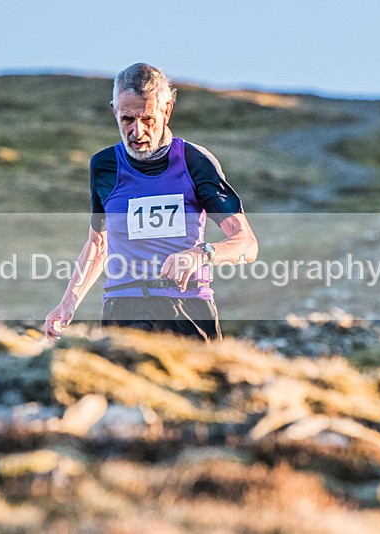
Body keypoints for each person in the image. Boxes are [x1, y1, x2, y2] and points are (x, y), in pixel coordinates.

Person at [45, 63, 258, 342]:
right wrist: (68, 303)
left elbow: (247, 244)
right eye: (126, 120)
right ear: (113, 111)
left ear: (167, 110)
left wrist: (201, 254)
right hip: (123, 308)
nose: (137, 132)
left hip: (187, 308)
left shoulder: (195, 162)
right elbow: (99, 244)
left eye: (147, 119)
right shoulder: (104, 166)